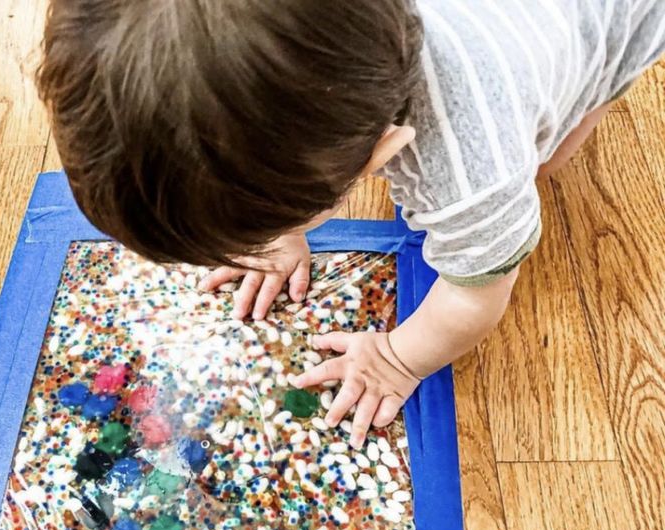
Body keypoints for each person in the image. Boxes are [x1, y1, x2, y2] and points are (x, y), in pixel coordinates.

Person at [37, 1, 665, 447]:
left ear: (379, 154)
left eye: (259, 232)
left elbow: (477, 295)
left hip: (608, 20)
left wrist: (397, 358)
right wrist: (280, 213)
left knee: (550, 154)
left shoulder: (475, 172)